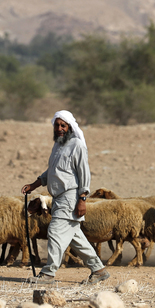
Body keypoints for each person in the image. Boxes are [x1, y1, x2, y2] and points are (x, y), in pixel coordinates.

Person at [22, 110, 109, 285]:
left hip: (70, 196)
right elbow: (53, 171)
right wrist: (34, 184)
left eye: (63, 125)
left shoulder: (77, 145)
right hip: (58, 198)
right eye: (57, 125)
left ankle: (48, 274)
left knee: (54, 232)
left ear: (69, 127)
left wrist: (82, 198)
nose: (60, 128)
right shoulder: (58, 145)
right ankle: (99, 270)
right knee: (75, 237)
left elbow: (84, 173)